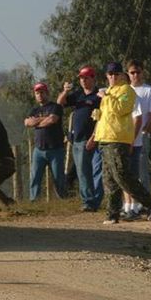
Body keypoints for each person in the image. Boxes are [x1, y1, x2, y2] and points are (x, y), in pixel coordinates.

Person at [93, 62, 151, 224]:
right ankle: (112, 214)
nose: (113, 77)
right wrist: (98, 114)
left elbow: (121, 109)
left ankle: (150, 203)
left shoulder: (126, 90)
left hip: (118, 139)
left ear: (122, 75)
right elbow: (108, 114)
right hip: (105, 138)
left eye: (116, 74)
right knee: (109, 179)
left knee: (122, 176)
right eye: (110, 74)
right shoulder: (109, 91)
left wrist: (106, 98)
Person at [57, 66, 103, 211]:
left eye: (86, 78)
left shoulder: (98, 95)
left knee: (90, 172)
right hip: (76, 139)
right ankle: (88, 200)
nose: (83, 81)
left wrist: (93, 137)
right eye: (81, 78)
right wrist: (65, 91)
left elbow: (101, 118)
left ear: (93, 78)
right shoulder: (78, 94)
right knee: (82, 171)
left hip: (90, 139)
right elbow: (60, 104)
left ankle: (90, 202)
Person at [25, 82, 66, 201]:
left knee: (59, 178)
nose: (39, 95)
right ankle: (34, 201)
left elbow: (52, 119)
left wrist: (37, 122)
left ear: (47, 93)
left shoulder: (55, 107)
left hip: (55, 149)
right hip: (39, 150)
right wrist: (44, 120)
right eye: (37, 93)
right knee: (35, 178)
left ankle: (62, 200)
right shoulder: (34, 109)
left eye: (42, 92)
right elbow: (27, 123)